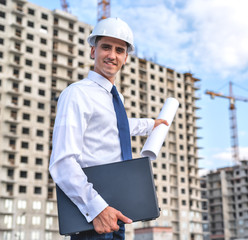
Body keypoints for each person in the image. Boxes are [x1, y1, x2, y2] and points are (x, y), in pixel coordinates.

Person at [49, 17, 168, 240]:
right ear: (93, 51)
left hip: (117, 213)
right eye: (106, 47)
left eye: (119, 50)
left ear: (125, 58)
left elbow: (115, 127)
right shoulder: (78, 93)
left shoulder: (115, 99)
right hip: (93, 215)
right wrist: (97, 208)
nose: (112, 55)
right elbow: (62, 162)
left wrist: (152, 125)